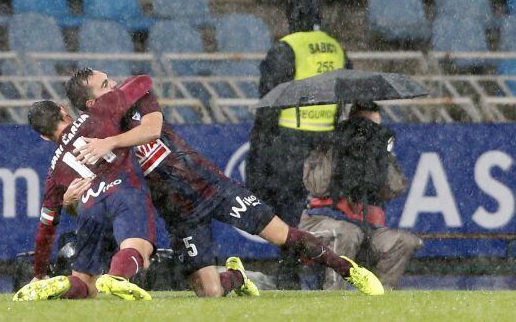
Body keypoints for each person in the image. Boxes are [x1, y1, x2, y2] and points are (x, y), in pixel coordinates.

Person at [66, 68, 384, 296]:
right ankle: (236, 278)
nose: (116, 84)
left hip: (211, 188)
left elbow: (152, 129)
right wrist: (71, 200)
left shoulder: (138, 98)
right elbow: (92, 200)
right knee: (210, 293)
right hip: (180, 214)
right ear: (92, 104)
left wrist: (112, 142)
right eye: (106, 84)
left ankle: (349, 270)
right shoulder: (88, 142)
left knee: (282, 235)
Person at [14, 75, 156, 301]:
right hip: (123, 189)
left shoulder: (54, 171)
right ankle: (117, 276)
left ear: (43, 136)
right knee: (140, 249)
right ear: (63, 111)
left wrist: (39, 273)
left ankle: (60, 284)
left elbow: (46, 228)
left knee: (85, 284)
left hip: (89, 207)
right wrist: (116, 88)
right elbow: (142, 82)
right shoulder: (95, 115)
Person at [246, 0, 351, 289]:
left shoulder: (286, 48)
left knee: (289, 213)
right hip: (327, 141)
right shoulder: (336, 49)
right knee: (321, 210)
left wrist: (258, 152)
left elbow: (269, 103)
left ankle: (289, 274)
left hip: (290, 142)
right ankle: (324, 272)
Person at [299, 101, 422, 290]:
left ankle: (378, 299)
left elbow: (395, 188)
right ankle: (332, 297)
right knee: (347, 233)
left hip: (365, 228)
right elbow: (317, 187)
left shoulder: (379, 153)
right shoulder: (330, 144)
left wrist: (378, 157)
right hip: (320, 224)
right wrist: (339, 149)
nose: (370, 130)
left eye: (376, 126)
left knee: (404, 241)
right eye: (365, 125)